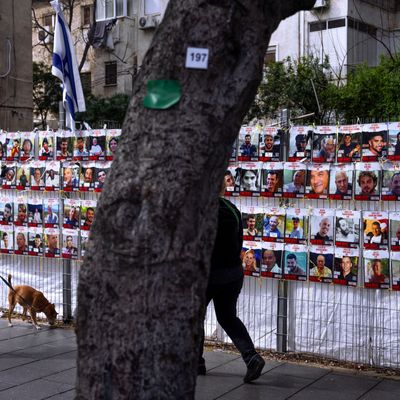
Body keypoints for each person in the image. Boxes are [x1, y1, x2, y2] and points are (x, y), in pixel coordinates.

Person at [198, 178, 265, 382]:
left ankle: (196, 363)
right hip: (233, 274)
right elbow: (239, 243)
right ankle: (251, 356)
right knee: (227, 317)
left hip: (209, 274)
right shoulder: (232, 208)